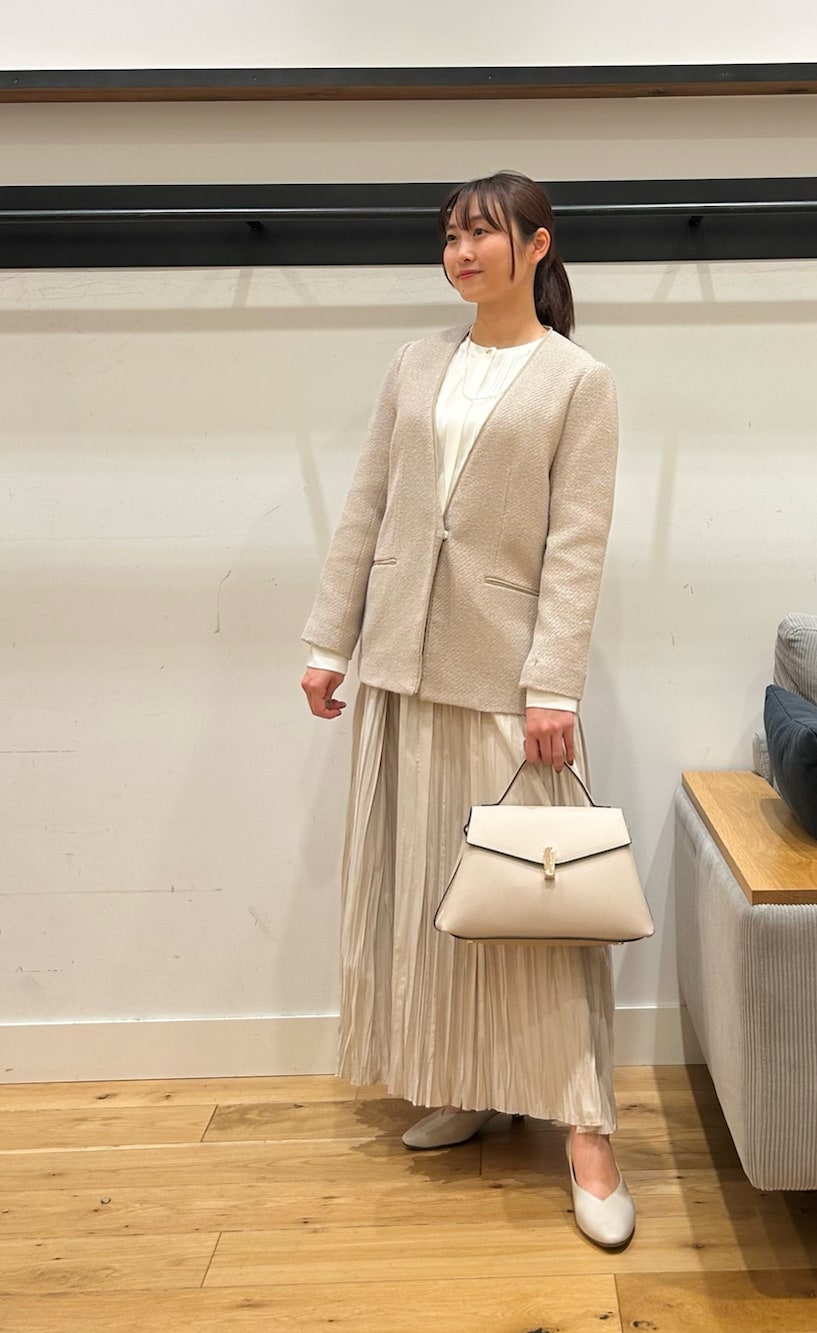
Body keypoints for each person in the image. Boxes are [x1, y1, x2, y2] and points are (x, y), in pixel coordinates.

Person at [300, 170, 633, 1247]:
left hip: (505, 673)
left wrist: (553, 684)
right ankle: (469, 1082)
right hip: (401, 665)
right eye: (450, 235)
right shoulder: (414, 364)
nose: (460, 251)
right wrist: (329, 641)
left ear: (537, 247)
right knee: (431, 898)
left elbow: (576, 542)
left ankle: (587, 1130)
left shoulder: (579, 381)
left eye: (483, 233)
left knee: (538, 906)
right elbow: (367, 506)